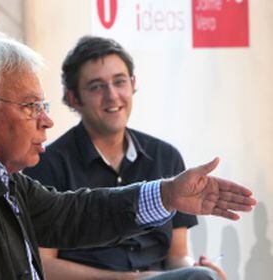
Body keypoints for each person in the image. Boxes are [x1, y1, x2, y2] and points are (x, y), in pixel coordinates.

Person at [0, 32, 256, 280]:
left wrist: (167, 195)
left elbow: (71, 214)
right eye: (31, 106)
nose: (47, 120)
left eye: (120, 81)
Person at [23, 36, 227, 280]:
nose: (112, 96)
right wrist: (128, 279)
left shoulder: (166, 157)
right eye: (97, 86)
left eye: (119, 82)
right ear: (74, 98)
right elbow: (42, 265)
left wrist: (196, 267)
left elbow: (177, 256)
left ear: (133, 84)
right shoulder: (47, 164)